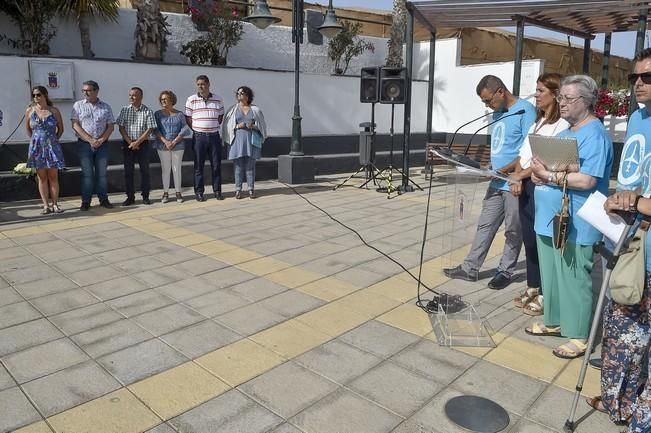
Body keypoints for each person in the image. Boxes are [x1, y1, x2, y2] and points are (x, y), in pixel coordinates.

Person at [525, 75, 613, 360]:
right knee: (552, 275)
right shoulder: (568, 131)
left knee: (574, 276)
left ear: (586, 101)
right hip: (550, 219)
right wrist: (541, 177)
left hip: (576, 220)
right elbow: (556, 170)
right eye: (560, 97)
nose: (561, 103)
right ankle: (555, 320)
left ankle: (578, 333)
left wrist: (548, 176)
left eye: (567, 98)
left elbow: (587, 181)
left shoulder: (595, 134)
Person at [590, 48, 651, 430]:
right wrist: (619, 198)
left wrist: (639, 202)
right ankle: (620, 402)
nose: (639, 84)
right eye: (635, 78)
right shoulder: (637, 120)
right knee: (622, 338)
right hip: (629, 246)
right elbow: (632, 177)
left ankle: (642, 417)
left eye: (648, 77)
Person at [443, 75, 536, 289]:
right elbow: (500, 145)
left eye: (488, 100)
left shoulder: (525, 110)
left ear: (501, 91)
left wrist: (503, 170)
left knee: (513, 230)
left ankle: (505, 271)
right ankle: (470, 268)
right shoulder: (497, 112)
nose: (487, 105)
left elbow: (527, 152)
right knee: (485, 225)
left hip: (514, 182)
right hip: (495, 181)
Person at [507, 73, 569, 315]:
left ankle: (546, 292)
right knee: (530, 241)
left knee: (545, 242)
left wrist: (518, 176)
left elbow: (547, 161)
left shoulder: (561, 125)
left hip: (544, 188)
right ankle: (533, 285)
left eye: (541, 90)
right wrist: (516, 176)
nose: (536, 95)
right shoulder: (537, 122)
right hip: (525, 185)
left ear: (555, 94)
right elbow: (523, 155)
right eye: (536, 90)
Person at [71, 80, 115, 211]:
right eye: (83, 90)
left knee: (102, 174)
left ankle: (104, 199)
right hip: (84, 145)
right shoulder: (78, 105)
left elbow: (111, 126)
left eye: (88, 90)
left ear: (96, 91)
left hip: (103, 145)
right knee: (87, 175)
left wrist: (101, 140)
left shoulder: (105, 107)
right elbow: (75, 125)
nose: (85, 92)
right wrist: (90, 140)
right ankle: (86, 201)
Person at [25, 86, 66, 214]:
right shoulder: (30, 111)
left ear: (45, 95)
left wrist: (53, 140)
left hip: (52, 147)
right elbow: (28, 129)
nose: (36, 98)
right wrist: (35, 141)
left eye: (38, 95)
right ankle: (45, 205)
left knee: (53, 176)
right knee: (41, 177)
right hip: (37, 147)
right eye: (34, 95)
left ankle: (55, 204)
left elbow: (61, 128)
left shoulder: (54, 111)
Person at [222, 86, 267, 199]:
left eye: (242, 93)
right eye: (238, 93)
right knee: (238, 167)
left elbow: (262, 126)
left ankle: (251, 189)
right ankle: (238, 190)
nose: (239, 95)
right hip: (237, 142)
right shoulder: (232, 109)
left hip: (251, 141)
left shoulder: (255, 109)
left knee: (250, 167)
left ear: (248, 95)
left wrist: (254, 126)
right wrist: (238, 125)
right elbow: (227, 126)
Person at [185, 75, 224, 201]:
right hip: (199, 137)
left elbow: (220, 117)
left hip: (214, 137)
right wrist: (198, 129)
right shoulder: (191, 99)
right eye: (198, 84)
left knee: (216, 165)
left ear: (208, 84)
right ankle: (199, 192)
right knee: (198, 166)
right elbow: (188, 119)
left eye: (202, 84)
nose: (200, 86)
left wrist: (211, 127)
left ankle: (217, 191)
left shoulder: (218, 99)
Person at [116, 87, 156, 206]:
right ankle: (130, 197)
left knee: (145, 171)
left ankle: (145, 196)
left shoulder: (147, 111)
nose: (131, 97)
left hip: (142, 144)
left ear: (141, 97)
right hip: (128, 144)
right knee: (128, 172)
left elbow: (150, 129)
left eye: (134, 95)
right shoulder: (124, 110)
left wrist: (137, 142)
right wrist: (130, 142)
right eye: (130, 95)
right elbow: (121, 127)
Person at [155, 90, 189, 203]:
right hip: (162, 145)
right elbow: (156, 129)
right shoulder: (158, 114)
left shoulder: (179, 114)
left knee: (176, 169)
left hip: (178, 145)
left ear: (172, 100)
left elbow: (184, 129)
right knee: (165, 169)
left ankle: (178, 193)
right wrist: (166, 141)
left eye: (165, 99)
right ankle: (165, 193)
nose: (163, 101)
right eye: (162, 99)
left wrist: (174, 142)